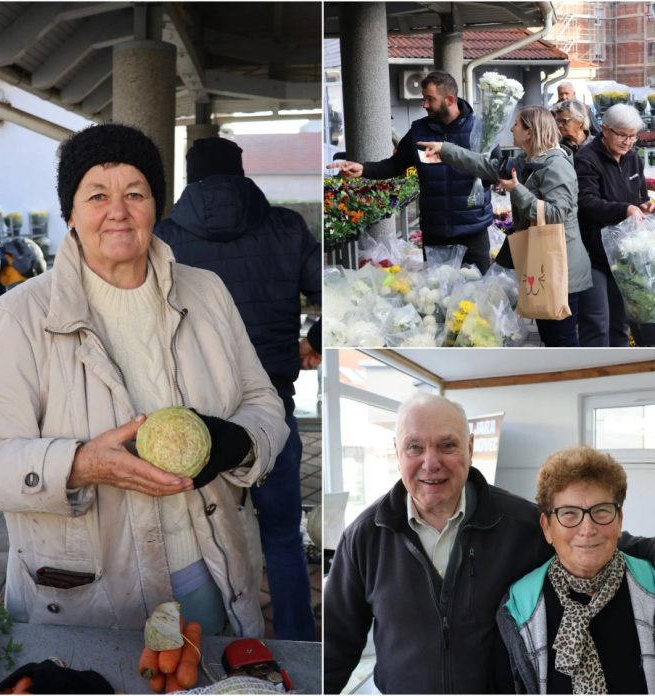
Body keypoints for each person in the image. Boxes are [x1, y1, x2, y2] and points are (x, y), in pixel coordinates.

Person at [0, 123, 289, 637]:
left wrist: (236, 442)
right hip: (90, 592)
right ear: (71, 213)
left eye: (135, 193)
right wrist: (78, 464)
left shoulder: (208, 292)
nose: (118, 211)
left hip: (209, 569)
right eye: (97, 195)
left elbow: (264, 401)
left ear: (157, 205)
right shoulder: (15, 318)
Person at [324, 394, 655, 694]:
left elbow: (591, 540)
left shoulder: (520, 524)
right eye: (414, 447)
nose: (430, 462)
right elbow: (335, 645)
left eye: (447, 445)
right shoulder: (364, 537)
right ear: (396, 451)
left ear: (469, 447)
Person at [154, 136, 321, 641]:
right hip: (273, 410)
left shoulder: (165, 237)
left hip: (193, 421)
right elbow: (331, 293)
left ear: (190, 177)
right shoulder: (286, 227)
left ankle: (217, 644)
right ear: (241, 172)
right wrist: (311, 341)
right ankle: (294, 642)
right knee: (282, 537)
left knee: (198, 540)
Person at [418, 106, 594, 347]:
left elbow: (556, 214)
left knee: (561, 339)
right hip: (544, 264)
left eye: (517, 124)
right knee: (551, 336)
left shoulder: (556, 166)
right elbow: (485, 165)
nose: (512, 128)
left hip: (562, 271)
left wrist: (517, 190)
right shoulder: (526, 160)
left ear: (530, 132)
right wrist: (445, 150)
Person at [495, 447, 655, 693]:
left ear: (619, 519)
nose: (588, 528)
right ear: (547, 527)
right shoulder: (518, 607)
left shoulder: (650, 585)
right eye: (569, 514)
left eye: (601, 511)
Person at [326, 71, 493, 272]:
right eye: (424, 98)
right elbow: (395, 165)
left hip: (473, 231)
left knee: (480, 294)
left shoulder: (482, 130)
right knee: (438, 297)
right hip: (436, 233)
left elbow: (495, 170)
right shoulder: (418, 131)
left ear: (449, 100)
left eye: (430, 99)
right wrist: (364, 169)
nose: (424, 105)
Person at [575, 103, 655, 347]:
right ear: (605, 129)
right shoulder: (586, 159)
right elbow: (586, 203)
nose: (628, 142)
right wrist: (624, 209)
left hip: (625, 257)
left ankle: (621, 374)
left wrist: (645, 206)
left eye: (632, 136)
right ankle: (594, 375)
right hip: (595, 255)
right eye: (622, 135)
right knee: (598, 323)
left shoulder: (632, 158)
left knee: (622, 323)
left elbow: (639, 197)